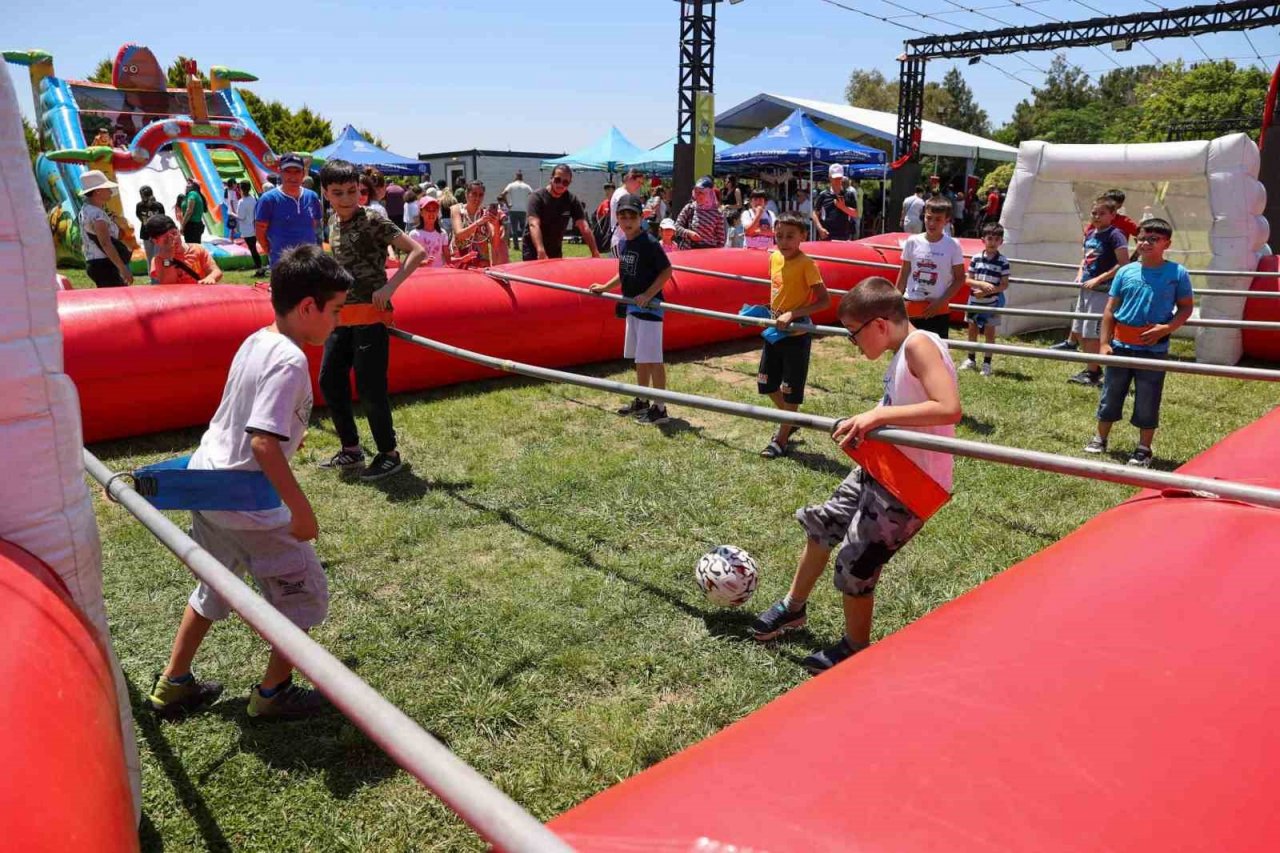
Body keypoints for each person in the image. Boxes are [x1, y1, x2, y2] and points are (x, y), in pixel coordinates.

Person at [145, 245, 351, 721]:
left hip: (209, 485)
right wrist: (301, 510)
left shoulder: (257, 338)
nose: (337, 322)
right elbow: (262, 443)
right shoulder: (289, 360)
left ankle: (174, 683)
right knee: (303, 599)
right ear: (307, 307)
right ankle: (274, 694)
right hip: (248, 502)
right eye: (335, 311)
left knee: (215, 584)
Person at [749, 277, 961, 673]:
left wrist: (878, 415)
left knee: (855, 565)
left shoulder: (919, 344)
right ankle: (793, 609)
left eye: (853, 335)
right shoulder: (904, 350)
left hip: (912, 485)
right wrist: (866, 424)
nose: (853, 342)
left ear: (879, 325)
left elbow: (948, 406)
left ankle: (855, 647)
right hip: (883, 467)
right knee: (822, 524)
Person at [317, 159, 425, 481]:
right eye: (338, 193)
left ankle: (389, 454)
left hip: (370, 316)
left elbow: (416, 251)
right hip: (341, 318)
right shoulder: (331, 221)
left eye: (353, 191)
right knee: (330, 381)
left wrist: (390, 286)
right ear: (325, 193)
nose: (347, 199)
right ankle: (351, 449)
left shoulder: (374, 221)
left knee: (369, 386)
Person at [1085, 218, 1194, 468]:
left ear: (1167, 243)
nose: (1145, 243)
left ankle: (1144, 448)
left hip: (1153, 351)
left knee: (1148, 398)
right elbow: (1110, 310)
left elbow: (1186, 308)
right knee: (1110, 394)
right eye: (1142, 238)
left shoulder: (1177, 273)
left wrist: (1167, 328)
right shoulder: (1125, 271)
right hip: (1121, 347)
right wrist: (1104, 343)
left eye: (1153, 239)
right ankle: (1100, 438)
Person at [589, 193, 675, 425]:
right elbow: (624, 271)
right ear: (617, 218)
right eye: (623, 216)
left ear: (641, 218)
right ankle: (641, 399)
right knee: (640, 358)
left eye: (632, 216)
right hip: (632, 309)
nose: (627, 221)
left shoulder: (649, 243)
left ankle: (660, 408)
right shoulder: (624, 242)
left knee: (653, 359)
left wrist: (648, 295)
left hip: (650, 310)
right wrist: (605, 287)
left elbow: (667, 271)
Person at [758, 212, 832, 459]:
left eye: (790, 236)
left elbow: (824, 301)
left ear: (803, 236)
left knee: (791, 389)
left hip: (797, 333)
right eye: (779, 236)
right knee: (766, 383)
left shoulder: (807, 264)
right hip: (774, 330)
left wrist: (793, 314)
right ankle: (792, 420)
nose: (784, 241)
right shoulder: (775, 258)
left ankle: (781, 439)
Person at [1055, 197, 1131, 386]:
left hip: (1102, 291)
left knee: (1093, 334)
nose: (1096, 217)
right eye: (1094, 213)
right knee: (1080, 331)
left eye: (1102, 213)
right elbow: (1085, 259)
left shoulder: (1115, 235)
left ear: (1112, 215)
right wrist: (1081, 273)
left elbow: (1123, 264)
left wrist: (1099, 279)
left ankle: (1093, 373)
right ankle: (1094, 368)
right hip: (1086, 289)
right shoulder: (1090, 233)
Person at [895, 198, 966, 340]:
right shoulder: (912, 241)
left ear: (947, 220)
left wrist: (940, 302)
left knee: (936, 354)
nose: (932, 223)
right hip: (912, 305)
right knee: (908, 353)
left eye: (938, 219)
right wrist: (894, 302)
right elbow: (904, 273)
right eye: (929, 218)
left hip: (937, 310)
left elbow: (960, 278)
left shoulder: (953, 245)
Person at [959, 222, 1010, 377]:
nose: (992, 242)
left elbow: (1004, 284)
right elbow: (968, 280)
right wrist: (980, 285)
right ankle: (971, 359)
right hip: (974, 301)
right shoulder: (975, 258)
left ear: (1001, 242)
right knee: (972, 331)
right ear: (983, 239)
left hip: (992, 303)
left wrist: (989, 291)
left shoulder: (1003, 261)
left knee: (989, 333)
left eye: (996, 239)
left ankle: (987, 363)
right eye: (990, 238)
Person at [255, 153, 322, 268]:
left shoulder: (312, 197)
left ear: (303, 173)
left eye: (297, 171)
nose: (293, 176)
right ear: (280, 172)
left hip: (310, 264)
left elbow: (315, 224)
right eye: (288, 171)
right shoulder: (268, 199)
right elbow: (260, 230)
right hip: (282, 264)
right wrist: (272, 252)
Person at [523, 165, 601, 260]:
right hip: (533, 250)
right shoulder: (536, 197)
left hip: (555, 251)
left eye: (565, 182)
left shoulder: (571, 200)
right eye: (557, 180)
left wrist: (595, 252)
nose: (560, 184)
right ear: (551, 179)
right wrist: (540, 251)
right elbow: (533, 224)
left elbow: (584, 227)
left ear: (569, 183)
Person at [78, 170, 134, 287]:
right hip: (104, 265)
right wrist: (123, 268)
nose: (110, 191)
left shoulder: (86, 209)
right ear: (98, 191)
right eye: (107, 188)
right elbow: (106, 243)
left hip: (96, 263)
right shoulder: (97, 214)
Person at [141, 215, 223, 285]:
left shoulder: (198, 249)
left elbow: (216, 271)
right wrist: (168, 257)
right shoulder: (159, 260)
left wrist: (211, 278)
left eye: (174, 233)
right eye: (166, 239)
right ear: (156, 241)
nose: (173, 240)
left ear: (178, 230)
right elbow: (168, 284)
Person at [451, 181, 502, 267]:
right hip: (461, 261)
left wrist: (496, 224)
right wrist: (478, 222)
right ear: (467, 194)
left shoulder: (485, 213)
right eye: (474, 194)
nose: (477, 198)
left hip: (481, 264)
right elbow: (459, 234)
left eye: (481, 195)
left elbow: (495, 244)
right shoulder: (457, 209)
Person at [672, 176, 726, 251]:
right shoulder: (690, 208)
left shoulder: (717, 213)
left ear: (709, 193)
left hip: (708, 255)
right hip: (689, 252)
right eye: (696, 192)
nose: (697, 195)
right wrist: (689, 233)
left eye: (701, 193)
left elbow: (721, 240)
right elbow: (676, 227)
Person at [610, 168, 651, 254]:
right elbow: (627, 215)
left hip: (625, 239)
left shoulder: (622, 193)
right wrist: (642, 214)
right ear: (630, 179)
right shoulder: (623, 194)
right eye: (638, 182)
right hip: (621, 239)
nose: (639, 186)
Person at [812, 164, 859, 241]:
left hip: (844, 237)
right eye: (835, 178)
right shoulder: (823, 195)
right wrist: (820, 229)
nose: (838, 181)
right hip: (827, 236)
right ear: (830, 178)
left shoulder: (849, 194)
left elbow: (856, 213)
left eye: (839, 178)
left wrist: (843, 207)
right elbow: (815, 213)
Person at [409, 196, 450, 267]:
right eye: (428, 210)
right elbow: (410, 261)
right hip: (422, 275)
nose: (431, 213)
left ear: (437, 212)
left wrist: (461, 259)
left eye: (434, 210)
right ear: (421, 213)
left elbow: (448, 260)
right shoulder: (414, 234)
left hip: (439, 274)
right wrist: (423, 263)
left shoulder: (442, 233)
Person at [234, 181, 265, 276]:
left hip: (247, 229)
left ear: (241, 190)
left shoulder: (242, 202)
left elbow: (241, 216)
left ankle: (260, 269)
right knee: (254, 248)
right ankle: (260, 267)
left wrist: (232, 214)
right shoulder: (253, 199)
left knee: (253, 249)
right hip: (254, 227)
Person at [134, 185, 166, 273]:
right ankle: (153, 277)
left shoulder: (158, 206)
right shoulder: (140, 206)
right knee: (150, 257)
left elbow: (163, 218)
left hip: (157, 234)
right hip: (146, 234)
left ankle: (160, 275)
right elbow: (140, 217)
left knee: (157, 256)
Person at [502, 171, 534, 249]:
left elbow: (503, 194)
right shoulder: (526, 186)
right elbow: (533, 195)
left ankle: (516, 246)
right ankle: (524, 244)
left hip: (513, 209)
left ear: (515, 177)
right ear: (522, 177)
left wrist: (507, 204)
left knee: (514, 229)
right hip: (523, 210)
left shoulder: (511, 185)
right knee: (524, 229)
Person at [179, 180, 206, 247]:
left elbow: (189, 210)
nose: (186, 185)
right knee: (195, 247)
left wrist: (182, 225)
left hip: (192, 226)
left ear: (194, 186)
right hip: (196, 225)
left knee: (191, 248)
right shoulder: (195, 194)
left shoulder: (192, 194)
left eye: (189, 183)